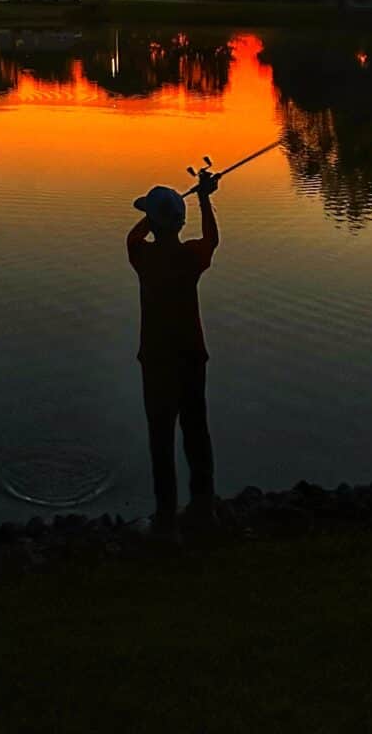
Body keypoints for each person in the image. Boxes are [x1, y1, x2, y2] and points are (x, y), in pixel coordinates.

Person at [126, 167, 220, 538]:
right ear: (179, 225)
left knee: (161, 438)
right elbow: (212, 239)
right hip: (192, 357)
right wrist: (204, 198)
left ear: (153, 222)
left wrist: (152, 219)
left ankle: (165, 518)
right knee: (197, 431)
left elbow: (134, 234)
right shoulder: (191, 256)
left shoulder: (142, 256)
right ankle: (203, 509)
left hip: (157, 360)